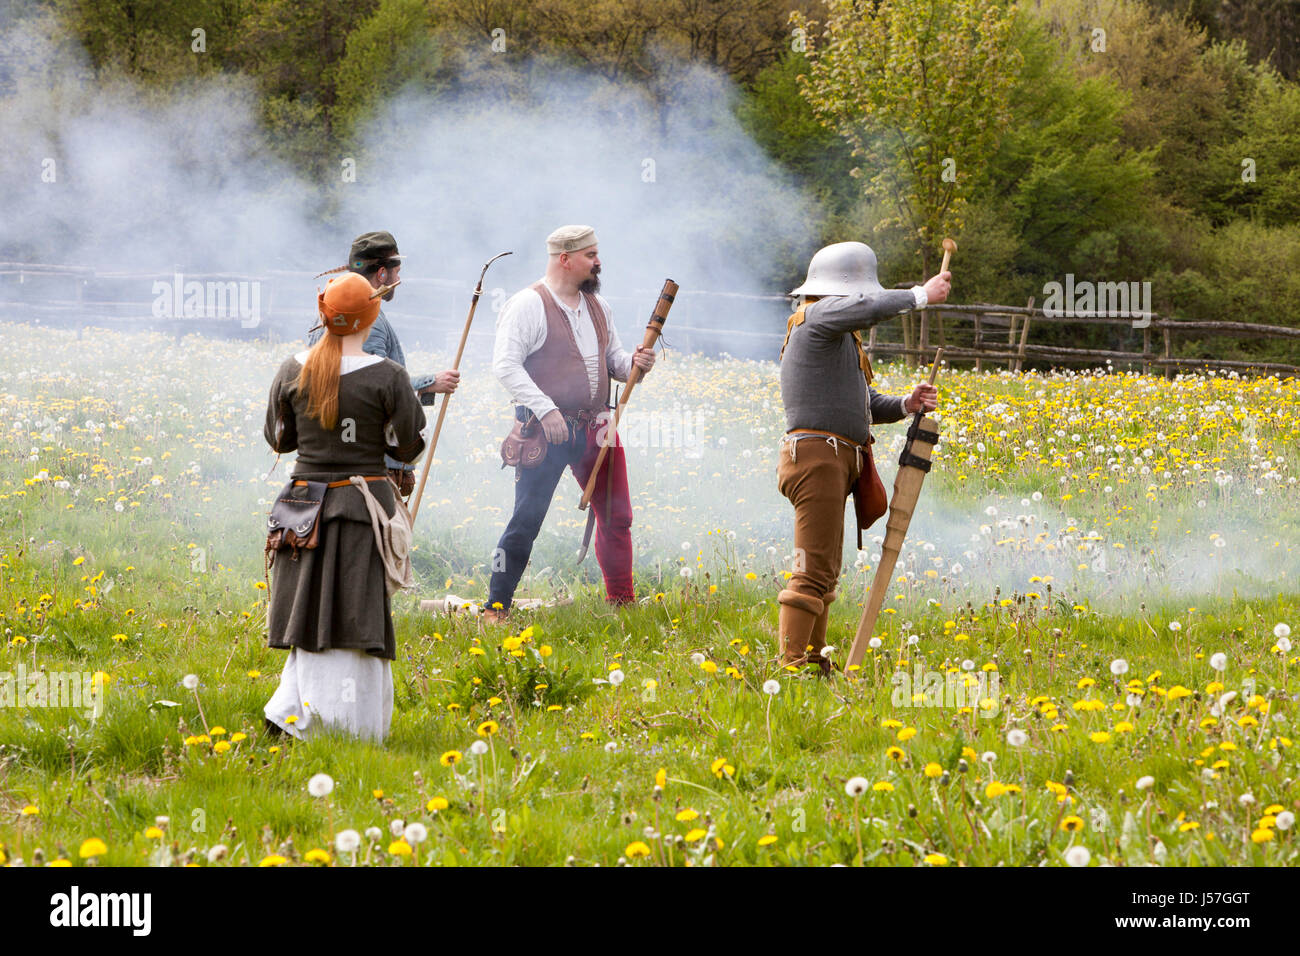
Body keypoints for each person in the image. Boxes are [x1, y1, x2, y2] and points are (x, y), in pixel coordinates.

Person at [263, 271, 427, 741]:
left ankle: (293, 712)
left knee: (312, 611)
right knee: (355, 614)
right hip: (361, 508)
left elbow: (280, 439)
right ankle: (335, 727)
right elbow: (410, 446)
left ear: (323, 315)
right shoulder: (389, 375)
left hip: (301, 510)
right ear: (372, 315)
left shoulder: (291, 368)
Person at [776, 241, 949, 675]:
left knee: (824, 570)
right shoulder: (817, 316)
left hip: (834, 458)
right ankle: (792, 668)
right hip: (818, 459)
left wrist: (906, 404)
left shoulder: (836, 333)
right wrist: (920, 295)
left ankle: (813, 662)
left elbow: (862, 402)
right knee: (811, 569)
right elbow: (870, 306)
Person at [484, 225, 656, 622]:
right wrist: (546, 411)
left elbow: (613, 362)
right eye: (591, 255)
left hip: (597, 428)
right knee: (526, 520)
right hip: (544, 431)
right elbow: (505, 366)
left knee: (618, 517)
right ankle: (496, 606)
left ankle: (621, 603)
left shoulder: (599, 306)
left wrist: (635, 367)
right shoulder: (527, 304)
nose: (599, 262)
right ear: (565, 259)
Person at [310, 230, 458, 496]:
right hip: (369, 464)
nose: (398, 279)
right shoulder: (369, 321)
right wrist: (429, 383)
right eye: (396, 271)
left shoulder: (334, 312)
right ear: (381, 274)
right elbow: (369, 383)